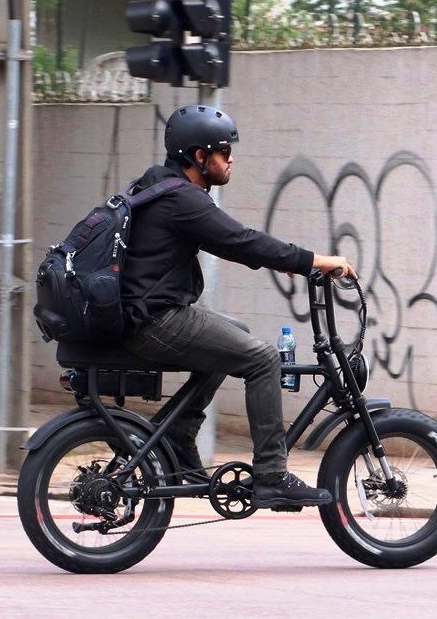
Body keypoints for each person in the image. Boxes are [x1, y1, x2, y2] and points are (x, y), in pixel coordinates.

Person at [120, 105, 356, 509]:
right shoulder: (182, 199)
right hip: (154, 320)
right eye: (223, 151)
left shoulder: (157, 186)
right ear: (199, 157)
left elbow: (236, 243)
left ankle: (177, 434)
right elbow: (240, 240)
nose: (231, 159)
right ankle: (272, 474)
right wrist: (315, 260)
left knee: (236, 336)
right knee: (263, 358)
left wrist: (284, 261)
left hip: (143, 314)